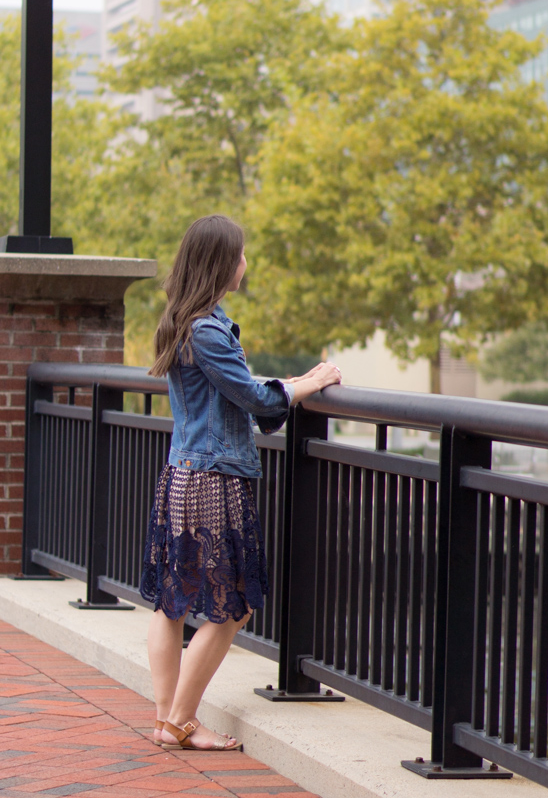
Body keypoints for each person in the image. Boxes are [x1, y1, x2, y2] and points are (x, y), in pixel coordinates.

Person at [141, 214, 342, 751]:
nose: (245, 263)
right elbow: (255, 399)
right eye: (242, 254)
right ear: (221, 263)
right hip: (212, 482)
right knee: (233, 604)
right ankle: (182, 720)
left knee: (173, 603)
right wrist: (312, 382)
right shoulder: (207, 329)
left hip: (182, 476)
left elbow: (244, 389)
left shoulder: (181, 322)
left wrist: (291, 384)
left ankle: (166, 720)